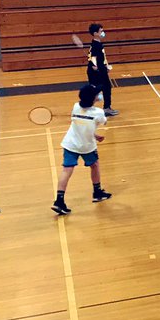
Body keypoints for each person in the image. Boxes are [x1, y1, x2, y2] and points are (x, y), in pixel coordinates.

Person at [52, 84, 112, 215]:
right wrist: (95, 135)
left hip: (71, 143)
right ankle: (97, 192)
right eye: (97, 94)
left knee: (67, 170)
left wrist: (95, 135)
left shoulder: (75, 106)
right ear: (93, 98)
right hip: (86, 146)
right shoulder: (98, 113)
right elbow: (102, 121)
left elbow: (83, 125)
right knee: (94, 165)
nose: (99, 95)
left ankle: (59, 201)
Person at [86, 23, 118, 116]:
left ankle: (105, 108)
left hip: (99, 71)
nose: (103, 33)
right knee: (98, 90)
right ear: (95, 33)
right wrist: (101, 69)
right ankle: (89, 108)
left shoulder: (97, 43)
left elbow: (101, 58)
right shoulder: (96, 45)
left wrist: (106, 67)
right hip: (96, 73)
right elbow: (94, 62)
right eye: (101, 31)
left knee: (105, 88)